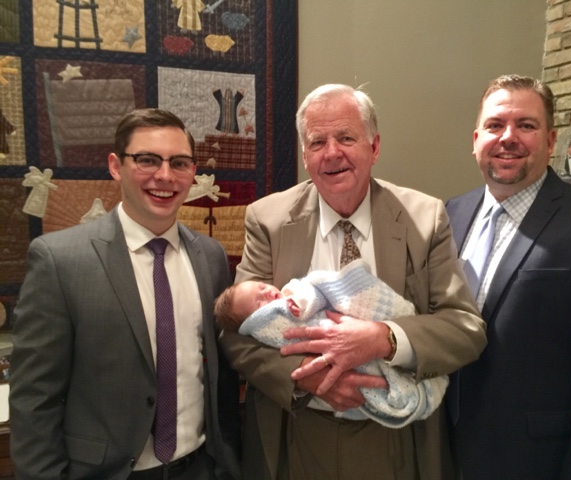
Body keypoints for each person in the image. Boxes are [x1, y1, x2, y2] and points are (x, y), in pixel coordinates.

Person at [220, 83, 487, 480]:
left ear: (374, 147)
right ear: (305, 156)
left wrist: (384, 338)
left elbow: (465, 329)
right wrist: (307, 377)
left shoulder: (424, 218)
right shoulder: (268, 220)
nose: (332, 153)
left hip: (395, 440)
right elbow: (237, 332)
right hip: (297, 431)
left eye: (346, 138)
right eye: (317, 142)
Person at [9, 108, 241, 479]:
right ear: (116, 166)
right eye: (147, 160)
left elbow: (218, 373)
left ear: (192, 172)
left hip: (199, 466)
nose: (165, 176)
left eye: (179, 163)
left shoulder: (210, 257)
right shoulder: (59, 260)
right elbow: (35, 398)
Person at [445, 74, 571, 480]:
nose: (508, 137)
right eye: (495, 125)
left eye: (526, 125)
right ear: (476, 140)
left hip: (536, 462)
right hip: (444, 452)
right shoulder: (449, 215)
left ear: (551, 141)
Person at [215, 259, 449, 428]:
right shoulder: (264, 323)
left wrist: (384, 337)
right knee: (371, 381)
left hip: (374, 327)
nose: (267, 294)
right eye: (258, 303)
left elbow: (312, 291)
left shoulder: (292, 292)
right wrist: (305, 372)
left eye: (262, 287)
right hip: (308, 421)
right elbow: (238, 341)